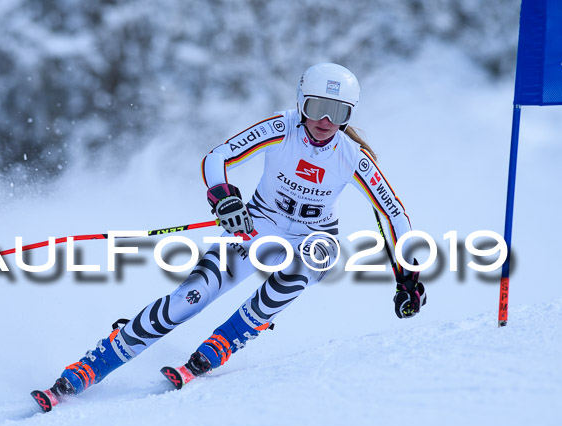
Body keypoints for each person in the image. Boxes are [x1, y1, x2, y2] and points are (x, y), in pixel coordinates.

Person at [43, 63, 427, 400]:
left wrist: (406, 275)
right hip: (257, 226)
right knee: (188, 299)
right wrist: (225, 199)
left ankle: (221, 344)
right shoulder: (281, 128)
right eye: (316, 108)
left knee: (302, 268)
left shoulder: (352, 157)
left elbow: (394, 213)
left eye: (337, 113)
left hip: (314, 239)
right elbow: (216, 158)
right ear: (300, 103)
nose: (325, 122)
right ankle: (94, 363)